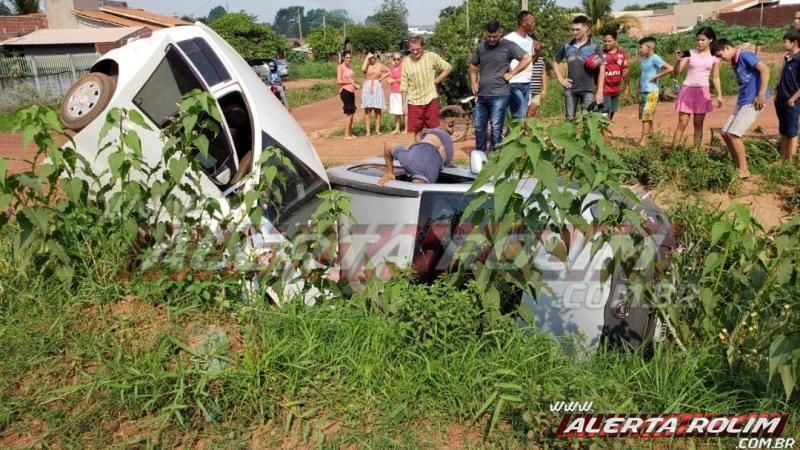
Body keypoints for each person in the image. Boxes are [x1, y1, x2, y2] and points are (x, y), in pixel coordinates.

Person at [470, 20, 532, 152]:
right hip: (481, 95)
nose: (491, 39)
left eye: (495, 36)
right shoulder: (481, 47)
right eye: (489, 36)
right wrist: (473, 82)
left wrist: (512, 73)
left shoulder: (508, 46)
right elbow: (473, 65)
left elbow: (527, 58)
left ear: (501, 34)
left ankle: (495, 159)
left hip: (499, 95)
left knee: (496, 128)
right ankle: (479, 157)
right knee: (479, 128)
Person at [712, 39, 770, 178]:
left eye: (720, 55)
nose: (721, 59)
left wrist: (760, 95)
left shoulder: (744, 55)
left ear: (727, 48)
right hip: (743, 101)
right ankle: (737, 165)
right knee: (725, 133)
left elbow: (765, 70)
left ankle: (744, 170)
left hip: (754, 101)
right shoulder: (735, 61)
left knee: (734, 134)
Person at [671, 27, 723, 148]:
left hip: (703, 92)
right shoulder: (687, 53)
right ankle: (673, 152)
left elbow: (715, 77)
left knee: (698, 124)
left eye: (703, 40)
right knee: (682, 123)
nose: (699, 42)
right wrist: (678, 61)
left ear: (711, 40)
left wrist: (720, 95)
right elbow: (675, 73)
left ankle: (696, 153)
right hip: (687, 91)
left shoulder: (715, 57)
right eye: (698, 40)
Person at [553, 15, 605, 121]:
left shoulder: (594, 46)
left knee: (589, 120)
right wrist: (560, 78)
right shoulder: (567, 45)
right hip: (570, 89)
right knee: (569, 119)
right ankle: (569, 138)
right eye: (573, 29)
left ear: (586, 28)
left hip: (588, 90)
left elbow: (602, 68)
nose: (575, 32)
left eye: (578, 29)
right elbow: (555, 61)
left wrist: (599, 91)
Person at [400, 36, 453, 140]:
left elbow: (448, 67)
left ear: (423, 46)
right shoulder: (406, 61)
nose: (415, 52)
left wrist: (437, 80)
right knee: (417, 131)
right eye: (412, 49)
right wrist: (403, 104)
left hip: (430, 98)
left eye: (418, 49)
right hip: (414, 101)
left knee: (434, 129)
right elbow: (404, 84)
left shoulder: (431, 56)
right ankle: (418, 152)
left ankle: (433, 153)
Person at [377, 128, 454, 185]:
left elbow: (387, 144)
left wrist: (389, 173)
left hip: (442, 143)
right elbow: (388, 144)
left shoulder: (431, 179)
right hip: (434, 136)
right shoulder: (407, 162)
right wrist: (389, 172)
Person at [638, 36, 673, 146]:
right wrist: (638, 89)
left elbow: (670, 68)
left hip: (652, 91)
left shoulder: (655, 58)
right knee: (646, 115)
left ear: (649, 48)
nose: (640, 49)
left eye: (641, 47)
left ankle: (643, 140)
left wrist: (656, 76)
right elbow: (642, 75)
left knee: (646, 116)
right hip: (643, 90)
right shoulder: (643, 59)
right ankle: (651, 137)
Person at [503, 10, 536, 119]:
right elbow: (501, 59)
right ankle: (515, 136)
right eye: (532, 21)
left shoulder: (530, 40)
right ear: (523, 23)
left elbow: (532, 61)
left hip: (527, 83)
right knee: (519, 114)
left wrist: (538, 51)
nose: (534, 24)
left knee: (521, 115)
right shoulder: (509, 39)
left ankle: (512, 135)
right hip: (514, 82)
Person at [600, 27, 629, 139]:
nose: (606, 43)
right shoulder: (600, 54)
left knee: (612, 112)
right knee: (604, 112)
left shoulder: (622, 54)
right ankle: (604, 137)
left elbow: (625, 71)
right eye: (605, 41)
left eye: (609, 41)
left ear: (615, 41)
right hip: (604, 90)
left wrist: (627, 87)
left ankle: (604, 130)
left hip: (616, 90)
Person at [775, 31, 800, 161]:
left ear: (794, 43)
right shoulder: (787, 57)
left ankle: (791, 160)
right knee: (784, 130)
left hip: (792, 101)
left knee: (792, 131)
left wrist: (793, 99)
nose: (783, 44)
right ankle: (783, 158)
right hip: (781, 99)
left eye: (785, 41)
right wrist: (776, 92)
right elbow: (781, 76)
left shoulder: (799, 59)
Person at [361, 52, 389, 136]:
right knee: (367, 110)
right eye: (370, 58)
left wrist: (382, 77)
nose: (371, 59)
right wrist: (367, 58)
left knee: (377, 109)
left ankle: (377, 130)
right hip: (367, 87)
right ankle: (368, 131)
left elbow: (389, 71)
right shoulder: (366, 65)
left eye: (373, 57)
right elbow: (363, 69)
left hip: (377, 86)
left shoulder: (380, 65)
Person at [337, 50, 360, 140]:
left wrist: (354, 84)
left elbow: (352, 79)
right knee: (349, 113)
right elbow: (339, 81)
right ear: (343, 58)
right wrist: (351, 82)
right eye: (347, 57)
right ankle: (346, 134)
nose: (349, 59)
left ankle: (350, 133)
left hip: (351, 91)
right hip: (345, 91)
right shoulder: (340, 67)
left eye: (350, 57)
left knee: (352, 112)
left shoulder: (350, 67)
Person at [387, 52, 407, 134]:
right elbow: (390, 77)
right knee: (396, 111)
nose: (396, 61)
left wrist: (394, 80)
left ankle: (406, 128)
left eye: (398, 59)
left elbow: (404, 79)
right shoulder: (392, 68)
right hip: (394, 91)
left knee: (404, 110)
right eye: (394, 59)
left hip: (401, 91)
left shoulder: (403, 68)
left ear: (401, 59)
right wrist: (389, 80)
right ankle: (397, 128)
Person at [527, 49, 548, 117]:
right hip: (526, 90)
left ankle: (528, 127)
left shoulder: (541, 60)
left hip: (536, 91)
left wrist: (544, 89)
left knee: (532, 113)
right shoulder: (525, 59)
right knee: (525, 112)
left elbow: (543, 74)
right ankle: (522, 127)